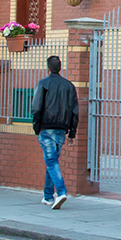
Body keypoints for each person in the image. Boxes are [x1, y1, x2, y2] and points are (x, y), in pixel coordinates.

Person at [30, 54, 78, 208]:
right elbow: (75, 111)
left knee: (51, 161)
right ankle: (47, 196)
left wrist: (36, 127)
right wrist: (72, 132)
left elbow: (36, 108)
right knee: (52, 161)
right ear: (60, 67)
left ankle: (61, 192)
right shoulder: (69, 86)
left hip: (46, 127)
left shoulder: (43, 83)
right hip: (61, 129)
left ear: (48, 68)